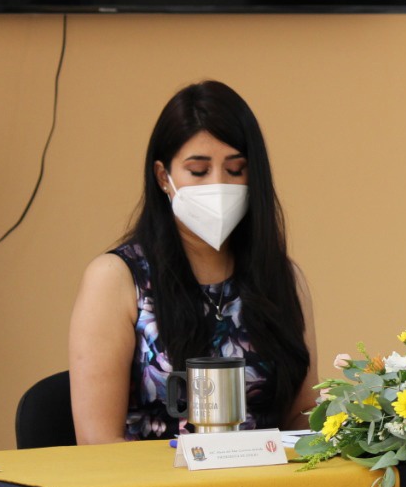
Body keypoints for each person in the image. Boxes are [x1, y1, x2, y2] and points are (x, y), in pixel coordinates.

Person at [68, 81, 317, 443]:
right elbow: (97, 442)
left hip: (266, 475)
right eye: (198, 171)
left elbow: (301, 416)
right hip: (153, 476)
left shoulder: (281, 277)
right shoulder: (115, 278)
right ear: (163, 177)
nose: (218, 184)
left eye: (236, 170)